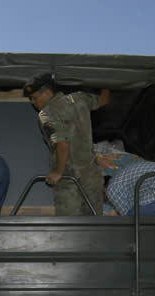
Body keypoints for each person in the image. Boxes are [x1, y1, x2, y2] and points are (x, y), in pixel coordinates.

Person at [23, 72, 109, 216]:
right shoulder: (79, 99)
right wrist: (108, 82)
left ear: (46, 92)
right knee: (95, 226)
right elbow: (103, 100)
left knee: (69, 228)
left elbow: (62, 143)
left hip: (69, 181)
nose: (33, 102)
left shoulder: (46, 114)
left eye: (34, 98)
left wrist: (58, 172)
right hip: (91, 176)